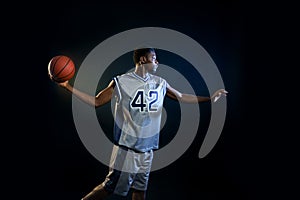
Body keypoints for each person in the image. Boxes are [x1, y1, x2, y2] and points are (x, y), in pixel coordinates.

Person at [49, 47, 227, 200]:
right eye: (154, 58)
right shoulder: (121, 81)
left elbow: (181, 96)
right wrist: (68, 87)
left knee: (140, 192)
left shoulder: (160, 83)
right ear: (143, 59)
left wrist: (210, 99)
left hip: (148, 149)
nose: (157, 62)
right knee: (109, 187)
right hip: (127, 149)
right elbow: (96, 101)